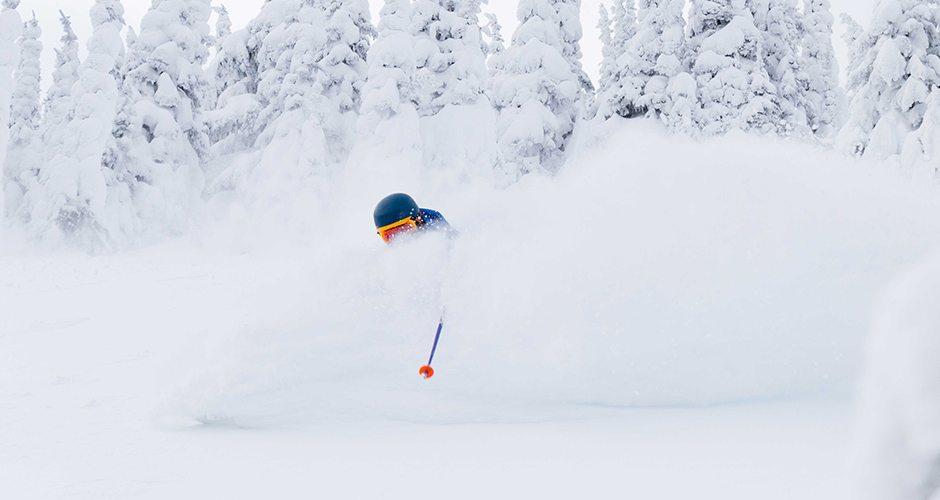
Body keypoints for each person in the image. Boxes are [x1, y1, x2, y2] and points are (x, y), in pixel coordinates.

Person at [373, 193, 456, 244]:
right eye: (389, 236)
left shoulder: (444, 240)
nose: (400, 240)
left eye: (405, 229)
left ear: (419, 221)